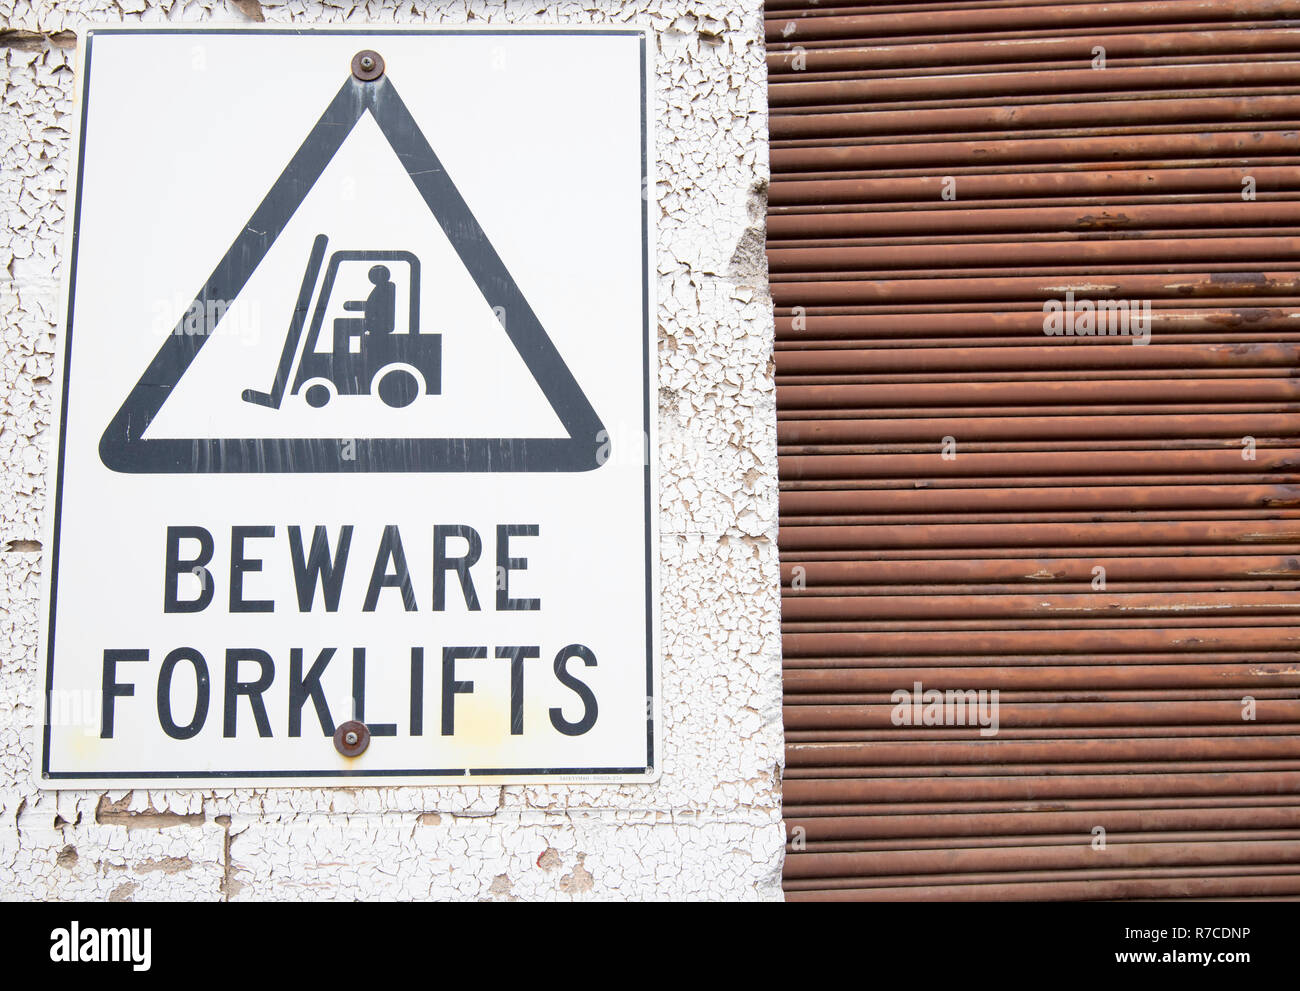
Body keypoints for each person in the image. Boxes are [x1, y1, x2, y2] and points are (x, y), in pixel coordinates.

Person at [333, 264, 396, 352]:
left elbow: (376, 307)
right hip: (375, 323)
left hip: (376, 325)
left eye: (376, 274)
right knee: (341, 323)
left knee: (341, 325)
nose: (372, 277)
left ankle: (340, 354)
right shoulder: (383, 288)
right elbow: (373, 306)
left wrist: (352, 305)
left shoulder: (384, 289)